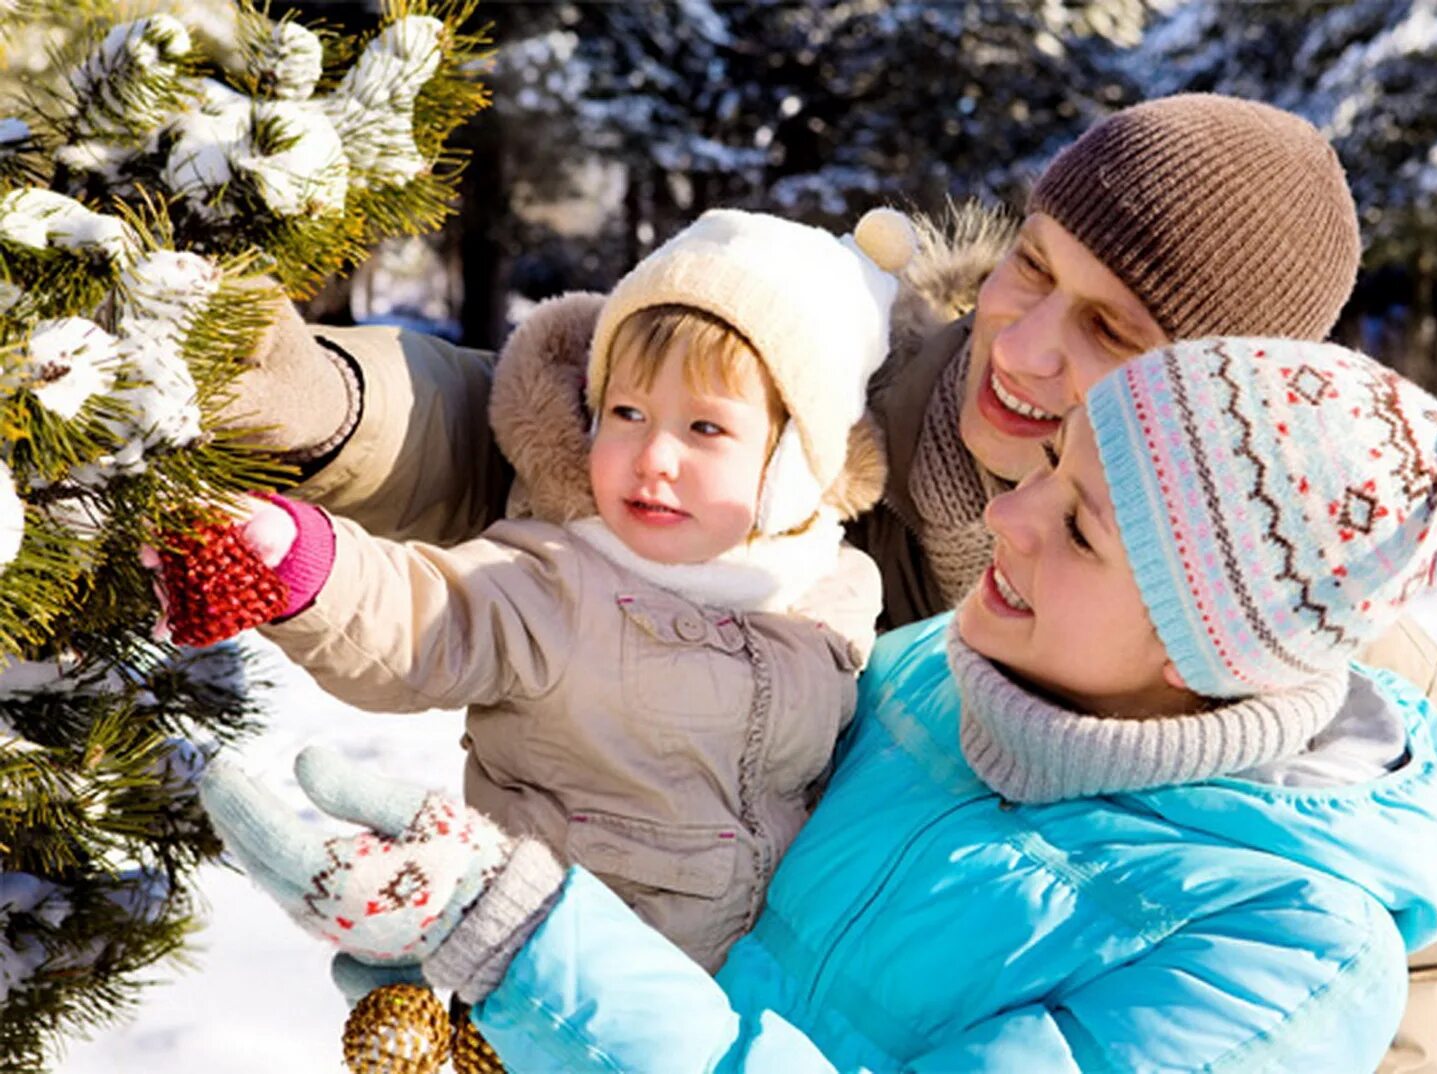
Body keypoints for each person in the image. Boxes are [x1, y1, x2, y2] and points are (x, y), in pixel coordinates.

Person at [219, 95, 1437, 1069]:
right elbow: (562, 424)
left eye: (1113, 330)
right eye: (1033, 266)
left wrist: (530, 943)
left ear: (1211, 403)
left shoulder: (1331, 707)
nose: (1027, 345)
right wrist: (318, 402)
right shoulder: (852, 422)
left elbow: (1377, 983)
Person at [160, 208, 914, 972]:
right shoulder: (558, 576)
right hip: (556, 991)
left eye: (705, 429)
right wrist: (309, 567)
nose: (653, 455)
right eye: (627, 412)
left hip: (753, 1012)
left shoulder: (835, 590)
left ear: (794, 465)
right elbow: (432, 616)